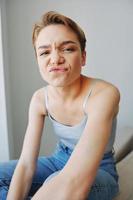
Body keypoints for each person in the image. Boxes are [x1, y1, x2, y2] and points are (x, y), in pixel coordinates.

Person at [0, 11, 120, 200]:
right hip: (60, 158)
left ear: (83, 57)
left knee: (57, 185)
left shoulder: (104, 94)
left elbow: (73, 181)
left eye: (68, 49)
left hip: (99, 169)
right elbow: (25, 165)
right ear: (38, 60)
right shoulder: (40, 99)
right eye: (45, 52)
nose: (55, 59)